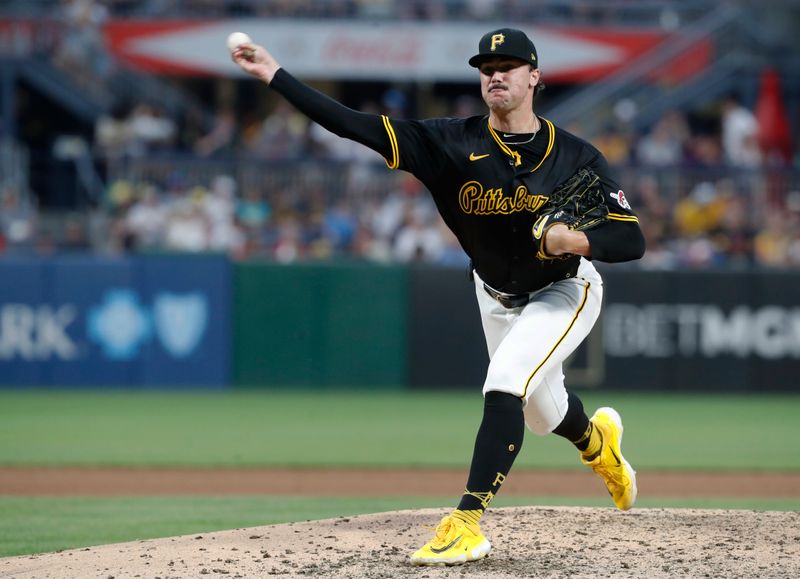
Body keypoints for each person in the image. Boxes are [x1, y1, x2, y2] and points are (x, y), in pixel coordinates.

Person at [233, 27, 645, 566]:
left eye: (510, 64)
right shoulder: (449, 142)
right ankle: (598, 443)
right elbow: (357, 127)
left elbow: (631, 237)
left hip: (564, 288)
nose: (495, 74)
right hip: (494, 292)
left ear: (534, 77)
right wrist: (275, 76)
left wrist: (575, 239)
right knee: (544, 415)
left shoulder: (575, 157)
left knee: (504, 381)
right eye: (486, 66)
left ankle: (467, 520)